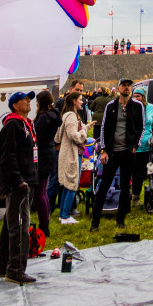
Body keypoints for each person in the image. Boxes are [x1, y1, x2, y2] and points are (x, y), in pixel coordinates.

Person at [0, 91, 38, 285]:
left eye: (29, 99)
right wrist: (19, 181)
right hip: (18, 185)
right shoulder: (12, 125)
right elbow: (7, 157)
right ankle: (15, 269)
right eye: (25, 100)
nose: (29, 102)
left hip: (26, 180)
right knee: (19, 227)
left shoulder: (25, 124)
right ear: (15, 105)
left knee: (10, 225)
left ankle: (0, 266)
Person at [90, 77, 144, 231]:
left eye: (129, 86)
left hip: (128, 152)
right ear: (118, 88)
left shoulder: (138, 106)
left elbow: (141, 127)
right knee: (104, 185)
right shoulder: (111, 106)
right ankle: (95, 222)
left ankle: (120, 220)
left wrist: (135, 146)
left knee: (125, 187)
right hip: (112, 153)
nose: (127, 88)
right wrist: (104, 149)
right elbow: (104, 127)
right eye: (124, 85)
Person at [58, 89, 90, 224]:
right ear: (74, 101)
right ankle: (65, 215)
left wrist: (86, 127)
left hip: (69, 153)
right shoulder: (71, 116)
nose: (82, 102)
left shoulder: (66, 115)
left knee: (67, 185)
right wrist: (83, 132)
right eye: (80, 99)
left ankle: (62, 213)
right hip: (72, 153)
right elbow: (74, 136)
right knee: (72, 184)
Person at [33, 89, 60, 236]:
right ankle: (45, 221)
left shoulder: (44, 118)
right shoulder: (52, 116)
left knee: (40, 192)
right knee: (43, 190)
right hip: (48, 153)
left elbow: (36, 136)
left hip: (42, 155)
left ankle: (44, 224)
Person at [131, 86, 153, 209]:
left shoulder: (151, 108)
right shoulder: (131, 108)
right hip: (133, 147)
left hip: (148, 146)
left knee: (148, 172)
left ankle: (152, 196)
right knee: (135, 172)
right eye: (134, 96)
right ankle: (135, 196)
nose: (136, 98)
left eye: (138, 96)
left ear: (144, 97)